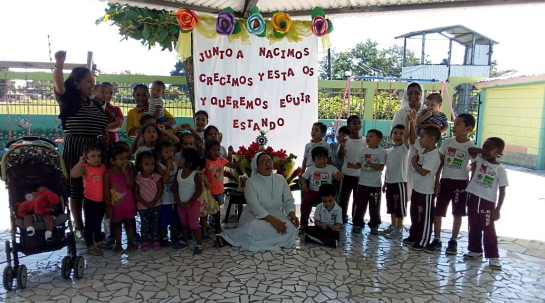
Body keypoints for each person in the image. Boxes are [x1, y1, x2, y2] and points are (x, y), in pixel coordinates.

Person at [53, 50, 108, 242]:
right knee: (77, 190)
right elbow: (59, 86)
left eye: (92, 80)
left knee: (97, 189)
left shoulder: (95, 103)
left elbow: (104, 125)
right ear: (76, 83)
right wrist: (59, 65)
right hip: (76, 148)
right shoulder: (69, 100)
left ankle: (93, 228)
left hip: (96, 149)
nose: (92, 83)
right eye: (87, 81)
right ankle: (79, 228)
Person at [217, 152, 300, 252]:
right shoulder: (251, 182)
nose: (268, 164)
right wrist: (273, 221)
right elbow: (254, 205)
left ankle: (257, 240)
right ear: (256, 167)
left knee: (291, 228)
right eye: (264, 162)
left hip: (276, 213)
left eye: (269, 161)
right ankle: (230, 237)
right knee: (254, 228)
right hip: (255, 214)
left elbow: (288, 199)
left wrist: (291, 213)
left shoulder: (280, 179)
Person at [425, 113, 476, 254]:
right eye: (455, 122)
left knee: (458, 213)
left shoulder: (471, 146)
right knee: (438, 211)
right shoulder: (448, 142)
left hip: (461, 184)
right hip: (445, 181)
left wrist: (471, 187)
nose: (455, 126)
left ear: (468, 128)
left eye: (459, 123)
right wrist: (436, 181)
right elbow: (440, 162)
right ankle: (437, 239)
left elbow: (475, 166)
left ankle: (453, 241)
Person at [463, 137, 508, 270]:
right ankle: (475, 250)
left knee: (488, 230)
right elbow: (470, 149)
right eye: (484, 146)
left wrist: (498, 209)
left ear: (498, 153)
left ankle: (493, 256)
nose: (485, 150)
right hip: (473, 198)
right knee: (473, 226)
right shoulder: (479, 159)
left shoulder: (500, 170)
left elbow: (502, 191)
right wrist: (484, 151)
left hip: (487, 202)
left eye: (489, 148)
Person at [404, 121, 442, 251]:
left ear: (431, 139)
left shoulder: (433, 155)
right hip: (417, 189)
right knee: (415, 214)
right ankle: (414, 235)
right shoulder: (423, 150)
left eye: (423, 137)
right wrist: (410, 121)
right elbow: (413, 138)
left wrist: (414, 162)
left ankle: (423, 240)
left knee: (425, 217)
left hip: (426, 192)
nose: (420, 139)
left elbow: (423, 171)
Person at [70, 143, 109, 256]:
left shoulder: (103, 167)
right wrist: (80, 162)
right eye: (93, 156)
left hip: (102, 201)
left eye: (99, 155)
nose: (96, 158)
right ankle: (90, 245)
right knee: (89, 224)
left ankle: (98, 240)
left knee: (98, 222)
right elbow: (73, 174)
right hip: (90, 201)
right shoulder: (85, 168)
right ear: (86, 157)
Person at [347, 129, 386, 234]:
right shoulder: (363, 151)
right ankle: (357, 224)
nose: (368, 138)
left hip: (375, 185)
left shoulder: (382, 152)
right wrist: (352, 166)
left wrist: (372, 165)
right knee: (360, 205)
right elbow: (358, 164)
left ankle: (374, 225)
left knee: (374, 207)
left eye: (371, 136)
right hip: (362, 184)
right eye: (367, 136)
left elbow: (381, 167)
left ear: (379, 140)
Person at [203, 139, 243, 233]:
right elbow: (202, 174)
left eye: (218, 150)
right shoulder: (205, 162)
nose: (217, 152)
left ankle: (218, 226)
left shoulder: (221, 160)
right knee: (206, 209)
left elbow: (233, 166)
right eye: (214, 150)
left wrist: (238, 160)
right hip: (208, 191)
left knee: (217, 210)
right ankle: (205, 227)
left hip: (219, 190)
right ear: (207, 151)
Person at [300, 146, 343, 230]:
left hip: (326, 192)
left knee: (330, 203)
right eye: (319, 158)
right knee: (305, 201)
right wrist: (304, 185)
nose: (322, 161)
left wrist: (339, 174)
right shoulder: (310, 169)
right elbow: (303, 178)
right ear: (313, 160)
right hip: (313, 191)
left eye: (324, 158)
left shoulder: (331, 168)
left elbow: (339, 174)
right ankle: (303, 223)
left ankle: (331, 224)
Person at [104, 145, 137, 253]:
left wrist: (126, 172)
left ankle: (130, 243)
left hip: (128, 204)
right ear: (112, 161)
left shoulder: (128, 170)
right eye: (121, 159)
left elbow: (130, 184)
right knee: (116, 225)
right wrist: (108, 206)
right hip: (115, 206)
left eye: (126, 159)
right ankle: (118, 244)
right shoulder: (108, 174)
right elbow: (106, 191)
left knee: (129, 223)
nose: (125, 161)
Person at [174, 148, 205, 254]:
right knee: (184, 223)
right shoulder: (178, 173)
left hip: (193, 204)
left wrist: (189, 202)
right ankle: (185, 239)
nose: (179, 159)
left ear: (189, 163)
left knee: (194, 224)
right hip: (181, 204)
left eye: (182, 157)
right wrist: (178, 201)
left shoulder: (195, 175)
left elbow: (199, 190)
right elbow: (175, 188)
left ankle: (199, 243)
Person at [382, 124, 410, 239]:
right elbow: (388, 168)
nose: (398, 136)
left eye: (401, 133)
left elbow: (408, 136)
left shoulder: (404, 149)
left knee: (399, 207)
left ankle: (399, 228)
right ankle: (393, 226)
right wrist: (385, 182)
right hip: (390, 183)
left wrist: (409, 122)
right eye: (395, 133)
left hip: (400, 182)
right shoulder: (389, 151)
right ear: (390, 136)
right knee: (392, 206)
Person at [134, 151, 163, 251]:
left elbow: (160, 190)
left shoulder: (156, 177)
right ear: (139, 164)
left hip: (156, 205)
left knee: (155, 223)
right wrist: (144, 203)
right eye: (146, 164)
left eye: (152, 164)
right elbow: (136, 193)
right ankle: (144, 241)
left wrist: (154, 201)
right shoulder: (138, 179)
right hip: (143, 206)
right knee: (144, 224)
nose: (150, 166)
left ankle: (155, 240)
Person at [338, 115, 365, 223]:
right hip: (346, 174)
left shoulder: (364, 140)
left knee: (358, 199)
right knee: (344, 198)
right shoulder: (345, 140)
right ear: (348, 126)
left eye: (359, 123)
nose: (357, 125)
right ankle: (342, 216)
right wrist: (342, 145)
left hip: (360, 175)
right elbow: (340, 156)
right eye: (354, 123)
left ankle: (357, 219)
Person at [156, 141, 183, 248]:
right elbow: (164, 180)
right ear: (159, 154)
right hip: (165, 200)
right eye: (166, 152)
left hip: (175, 199)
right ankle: (163, 236)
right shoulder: (159, 166)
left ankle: (175, 235)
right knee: (164, 219)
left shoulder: (177, 165)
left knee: (175, 218)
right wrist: (168, 167)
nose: (169, 154)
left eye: (171, 151)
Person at [304, 184, 342, 248]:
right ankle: (329, 242)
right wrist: (321, 225)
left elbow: (339, 224)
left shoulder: (338, 209)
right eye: (324, 202)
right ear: (321, 199)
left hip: (330, 230)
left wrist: (335, 227)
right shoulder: (319, 207)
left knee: (336, 234)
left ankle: (314, 239)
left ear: (334, 197)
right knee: (308, 229)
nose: (328, 204)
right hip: (320, 228)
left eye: (330, 201)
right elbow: (316, 221)